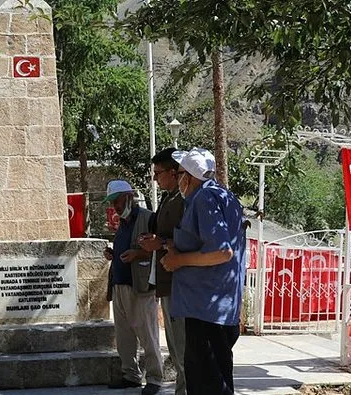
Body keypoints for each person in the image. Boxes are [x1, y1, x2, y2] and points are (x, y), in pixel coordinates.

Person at [161, 148, 246, 395]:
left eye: (178, 174)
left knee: (206, 384)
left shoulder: (204, 198)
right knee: (214, 381)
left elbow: (222, 252)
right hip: (216, 308)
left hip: (207, 309)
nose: (177, 180)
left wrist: (178, 260)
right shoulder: (223, 196)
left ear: (188, 177)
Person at [102, 180, 163, 395]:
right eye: (112, 202)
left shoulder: (148, 218)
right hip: (120, 286)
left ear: (129, 196)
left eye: (117, 200)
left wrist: (138, 254)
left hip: (141, 287)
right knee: (124, 337)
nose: (115, 206)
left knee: (148, 335)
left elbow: (160, 249)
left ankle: (155, 379)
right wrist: (112, 253)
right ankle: (131, 376)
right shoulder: (123, 222)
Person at [138, 148, 186, 395]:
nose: (155, 179)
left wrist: (162, 242)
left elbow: (189, 239)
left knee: (183, 351)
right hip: (166, 281)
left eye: (158, 173)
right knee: (176, 350)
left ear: (173, 172)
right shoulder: (169, 197)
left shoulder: (185, 199)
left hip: (180, 282)